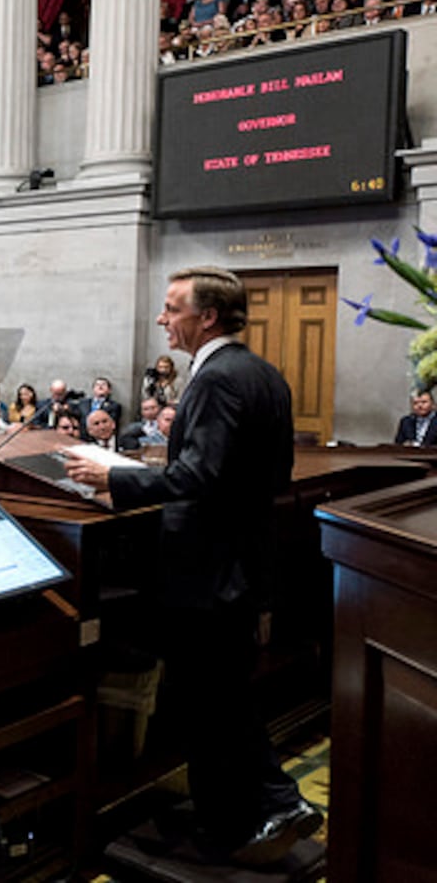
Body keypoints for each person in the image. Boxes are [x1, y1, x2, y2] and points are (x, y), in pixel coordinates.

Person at [65, 266, 316, 866]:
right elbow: (268, 476)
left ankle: (235, 827)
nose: (161, 319)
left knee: (212, 703)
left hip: (208, 573)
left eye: (173, 308)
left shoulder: (217, 380)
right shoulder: (262, 373)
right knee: (224, 697)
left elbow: (199, 476)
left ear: (207, 317)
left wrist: (114, 476)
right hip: (242, 565)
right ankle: (261, 807)